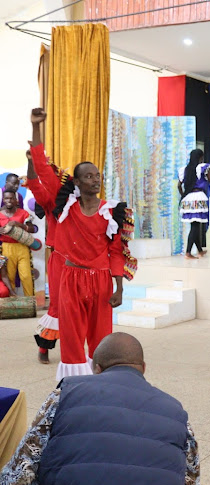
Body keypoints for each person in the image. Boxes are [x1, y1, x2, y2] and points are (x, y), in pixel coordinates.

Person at [0, 332, 200, 485]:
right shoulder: (177, 413)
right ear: (143, 368)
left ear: (97, 368)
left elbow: (16, 481)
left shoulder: (64, 396)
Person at [52, 157, 137, 380]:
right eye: (89, 176)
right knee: (71, 339)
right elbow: (39, 176)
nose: (95, 180)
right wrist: (36, 139)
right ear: (77, 182)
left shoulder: (112, 211)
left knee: (101, 339)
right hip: (71, 279)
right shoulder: (67, 208)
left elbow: (116, 252)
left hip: (101, 281)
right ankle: (73, 386)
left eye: (98, 175)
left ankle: (101, 385)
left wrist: (119, 288)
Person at [26, 108, 67, 364]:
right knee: (57, 307)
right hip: (61, 260)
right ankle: (45, 346)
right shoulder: (52, 202)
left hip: (86, 265)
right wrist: (32, 160)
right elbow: (34, 180)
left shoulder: (81, 202)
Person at [178, 149, 210, 259]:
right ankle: (188, 252)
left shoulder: (185, 170)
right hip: (198, 197)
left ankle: (199, 250)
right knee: (195, 226)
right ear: (200, 157)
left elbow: (179, 186)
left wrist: (184, 196)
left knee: (195, 225)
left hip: (188, 198)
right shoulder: (203, 167)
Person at [0, 189, 34, 297]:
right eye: (6, 198)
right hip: (6, 248)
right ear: (3, 200)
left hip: (22, 247)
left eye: (11, 198)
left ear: (16, 200)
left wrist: (19, 224)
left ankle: (30, 302)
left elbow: (32, 229)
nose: (8, 201)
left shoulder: (24, 213)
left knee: (26, 276)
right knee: (9, 277)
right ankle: (12, 304)